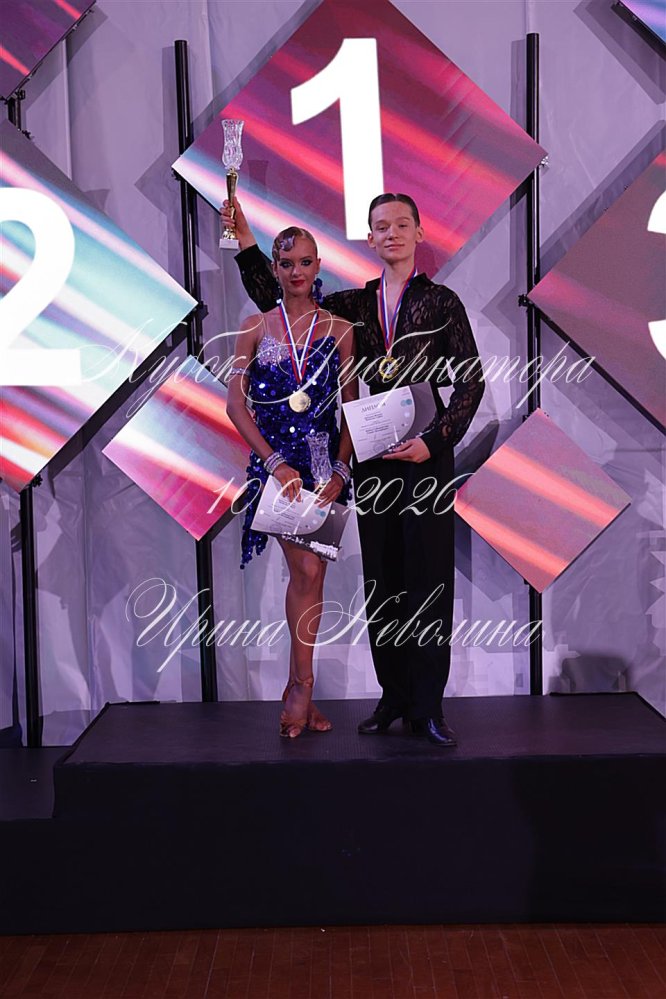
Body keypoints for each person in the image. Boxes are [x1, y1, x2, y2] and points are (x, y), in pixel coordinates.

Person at [223, 194, 485, 746]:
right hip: (372, 457)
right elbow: (284, 297)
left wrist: (434, 441)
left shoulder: (442, 302)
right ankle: (392, 697)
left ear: (419, 233)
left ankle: (428, 707)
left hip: (425, 459)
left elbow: (471, 381)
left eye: (402, 225)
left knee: (427, 579)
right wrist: (246, 241)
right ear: (369, 238)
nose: (392, 234)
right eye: (381, 226)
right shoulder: (354, 306)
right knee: (383, 578)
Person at [226, 226, 357, 739]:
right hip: (279, 470)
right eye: (286, 264)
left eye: (305, 262)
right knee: (303, 570)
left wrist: (342, 469)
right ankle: (301, 687)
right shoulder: (254, 327)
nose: (296, 272)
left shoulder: (340, 330)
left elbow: (351, 409)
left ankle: (301, 687)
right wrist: (275, 463)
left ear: (318, 265)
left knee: (314, 576)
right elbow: (236, 406)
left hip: (324, 470)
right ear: (274, 270)